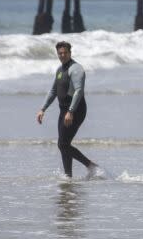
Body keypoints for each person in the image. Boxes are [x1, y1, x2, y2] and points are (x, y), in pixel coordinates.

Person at [36, 41, 98, 178]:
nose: (62, 55)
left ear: (70, 53)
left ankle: (90, 165)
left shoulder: (76, 69)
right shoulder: (60, 70)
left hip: (76, 110)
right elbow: (53, 91)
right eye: (60, 53)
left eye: (65, 53)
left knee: (63, 144)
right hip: (64, 111)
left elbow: (79, 91)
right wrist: (43, 109)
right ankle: (68, 176)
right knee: (63, 144)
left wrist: (70, 111)